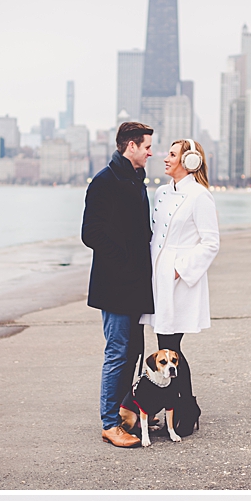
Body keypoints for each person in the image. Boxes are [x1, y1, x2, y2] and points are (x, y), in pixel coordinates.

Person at [81, 121, 154, 449]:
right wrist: (124, 258)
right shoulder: (105, 181)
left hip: (135, 284)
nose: (151, 152)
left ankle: (125, 413)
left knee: (132, 351)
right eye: (147, 146)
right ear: (131, 146)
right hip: (115, 284)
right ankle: (110, 424)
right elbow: (90, 233)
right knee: (118, 352)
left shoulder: (136, 179)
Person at [142, 137, 220, 362]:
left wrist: (178, 270)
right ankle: (179, 398)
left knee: (170, 346)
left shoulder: (200, 195)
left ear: (190, 161)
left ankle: (184, 399)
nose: (166, 159)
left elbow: (211, 242)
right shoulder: (161, 193)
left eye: (172, 155)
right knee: (164, 346)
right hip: (157, 278)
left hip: (178, 280)